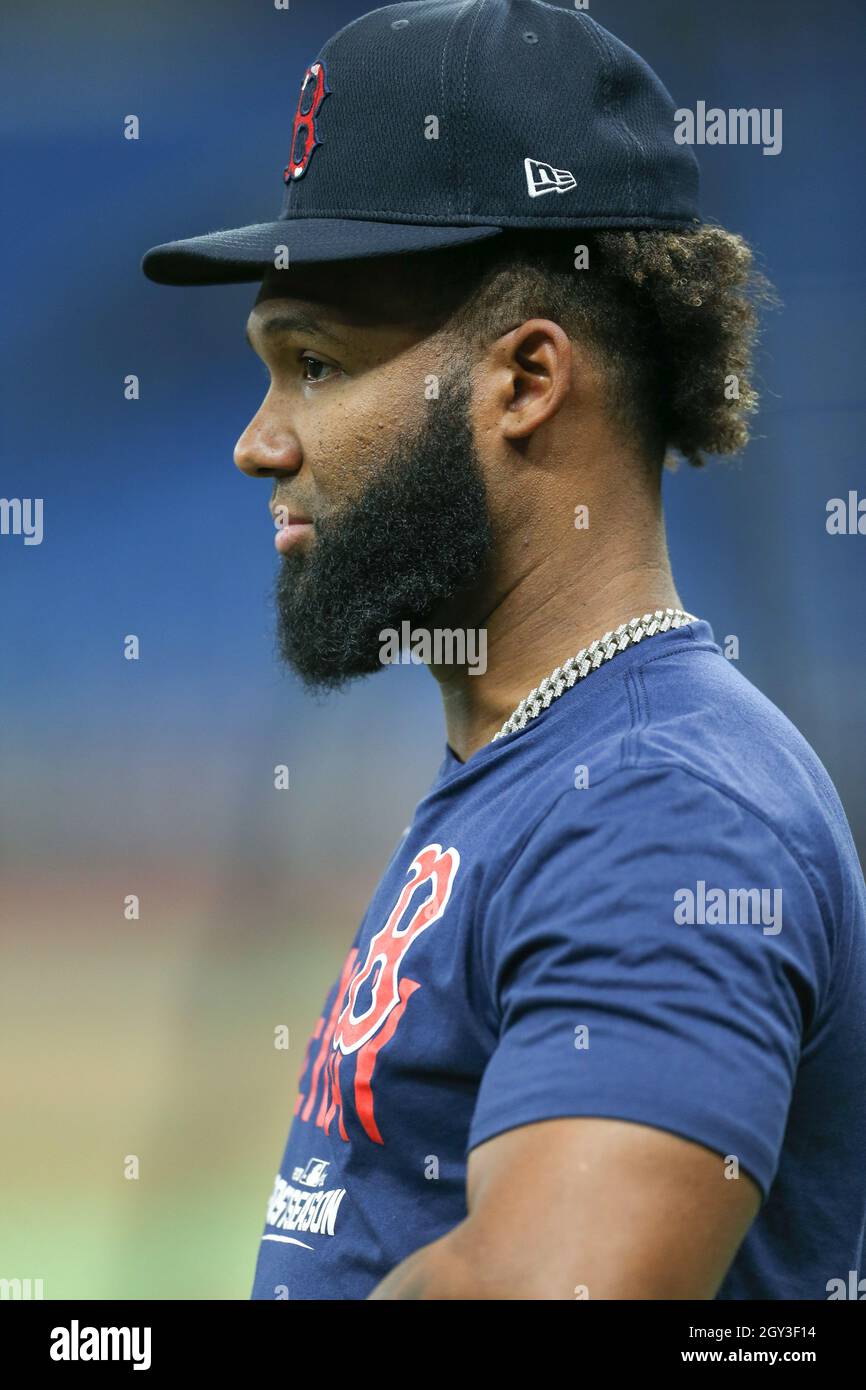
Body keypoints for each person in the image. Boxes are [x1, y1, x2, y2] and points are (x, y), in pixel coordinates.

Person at [142, 0, 866, 1300]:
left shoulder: (661, 808)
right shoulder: (548, 768)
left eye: (313, 361)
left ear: (525, 381)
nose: (260, 439)